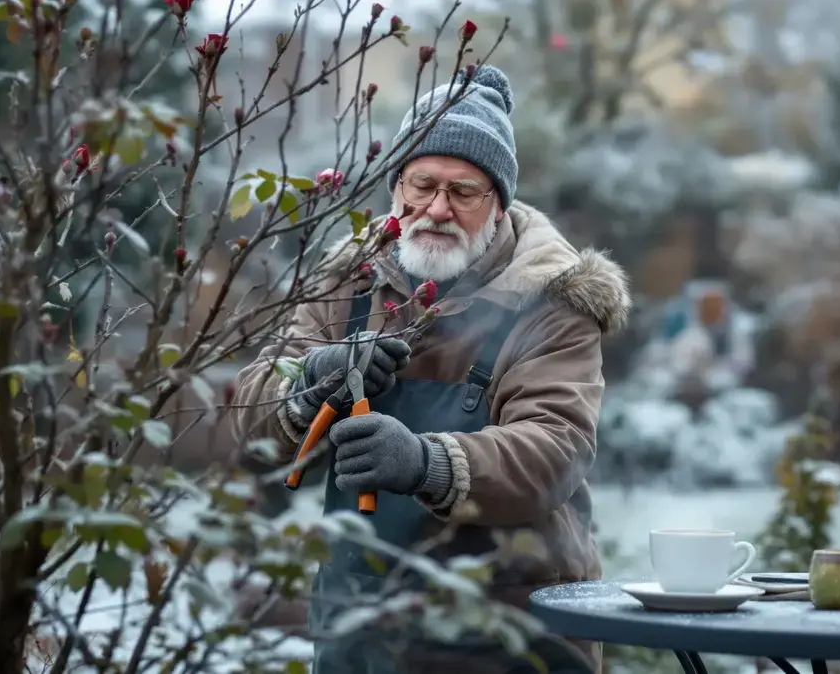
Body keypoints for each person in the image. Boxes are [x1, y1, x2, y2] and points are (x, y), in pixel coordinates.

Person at [231, 64, 631, 674]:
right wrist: (307, 385)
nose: (437, 209)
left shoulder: (552, 296)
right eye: (422, 185)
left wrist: (427, 463)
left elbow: (556, 448)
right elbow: (249, 425)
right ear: (396, 188)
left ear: (499, 203)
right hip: (359, 618)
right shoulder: (347, 280)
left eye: (464, 191)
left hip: (512, 625)